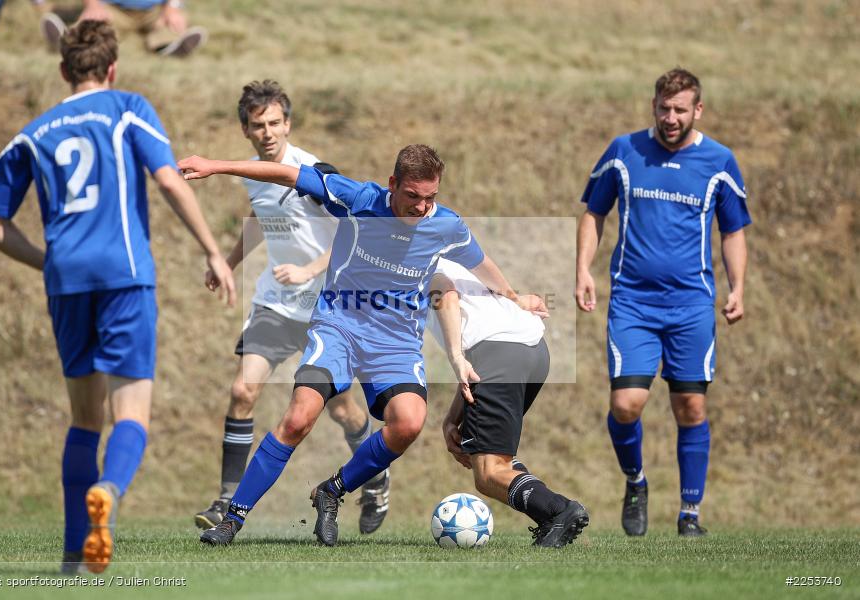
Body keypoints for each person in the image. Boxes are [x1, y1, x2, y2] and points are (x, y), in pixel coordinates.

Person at [178, 144, 547, 546]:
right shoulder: (359, 199)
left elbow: (480, 262)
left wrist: (513, 297)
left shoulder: (446, 225)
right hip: (339, 327)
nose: (423, 207)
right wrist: (214, 166)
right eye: (413, 197)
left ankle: (331, 492)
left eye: (431, 198)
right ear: (393, 185)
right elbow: (289, 174)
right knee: (300, 417)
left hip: (396, 344)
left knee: (408, 422)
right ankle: (233, 519)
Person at [0, 20, 235, 573]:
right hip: (124, 273)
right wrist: (213, 249)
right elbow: (167, 180)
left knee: (83, 419)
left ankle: (72, 556)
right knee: (130, 413)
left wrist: (51, 262)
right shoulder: (128, 107)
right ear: (112, 68)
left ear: (64, 70)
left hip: (67, 282)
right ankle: (109, 493)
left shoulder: (34, 133)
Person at [192, 80, 391, 535]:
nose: (267, 132)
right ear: (246, 129)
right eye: (258, 125)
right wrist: (228, 261)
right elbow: (264, 221)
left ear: (289, 123)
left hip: (326, 308)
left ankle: (376, 476)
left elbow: (354, 231)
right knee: (244, 391)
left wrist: (310, 269)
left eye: (275, 123)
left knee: (342, 411)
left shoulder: (314, 170)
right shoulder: (251, 173)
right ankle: (226, 499)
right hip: (275, 305)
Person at [576, 68, 750, 537]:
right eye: (663, 108)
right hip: (633, 302)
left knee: (690, 408)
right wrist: (583, 272)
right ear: (653, 106)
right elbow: (594, 212)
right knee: (627, 404)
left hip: (691, 305)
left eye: (680, 109)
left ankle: (690, 514)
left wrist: (737, 287)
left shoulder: (719, 161)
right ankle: (635, 482)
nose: (670, 117)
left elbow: (732, 230)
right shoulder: (624, 151)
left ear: (698, 110)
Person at [429, 258, 589, 548]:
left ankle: (558, 510)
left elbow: (445, 293)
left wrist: (454, 356)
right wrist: (453, 418)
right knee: (495, 457)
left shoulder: (420, 261)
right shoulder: (455, 258)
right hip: (534, 351)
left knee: (488, 472)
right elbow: (479, 360)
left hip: (499, 354)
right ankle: (548, 517)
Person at [37, 0, 206, 57]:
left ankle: (170, 46)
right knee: (94, 24)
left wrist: (172, 8)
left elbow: (173, 8)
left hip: (155, 10)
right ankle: (69, 42)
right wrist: (93, 5)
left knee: (173, 23)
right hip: (113, 9)